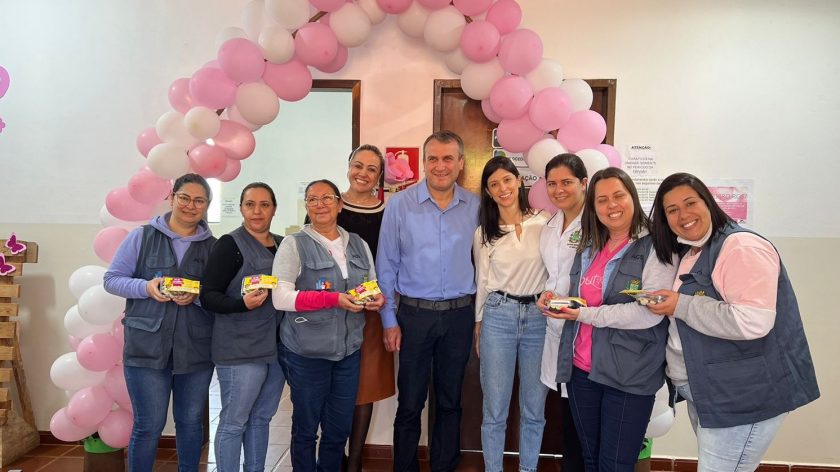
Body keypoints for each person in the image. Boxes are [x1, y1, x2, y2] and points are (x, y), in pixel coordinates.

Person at [645, 172, 819, 471]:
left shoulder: (740, 247)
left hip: (742, 396)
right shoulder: (694, 250)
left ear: (708, 202)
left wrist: (680, 305)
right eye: (671, 210)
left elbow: (753, 321)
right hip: (709, 390)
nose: (683, 214)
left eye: (690, 203)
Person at [544, 167, 676, 472]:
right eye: (602, 200)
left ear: (633, 196)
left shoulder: (656, 246)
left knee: (615, 465)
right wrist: (552, 298)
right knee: (590, 459)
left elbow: (647, 313)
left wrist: (583, 314)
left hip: (629, 375)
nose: (611, 205)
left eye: (618, 196)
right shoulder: (590, 246)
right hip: (581, 370)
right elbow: (577, 293)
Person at [376, 130, 480, 471]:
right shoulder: (399, 205)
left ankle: (443, 466)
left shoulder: (477, 207)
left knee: (450, 402)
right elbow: (386, 266)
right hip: (414, 318)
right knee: (410, 402)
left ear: (461, 164)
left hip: (459, 317)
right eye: (433, 158)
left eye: (448, 158)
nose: (440, 166)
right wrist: (389, 321)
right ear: (423, 162)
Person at [103, 173, 216, 472]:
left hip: (195, 350)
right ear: (172, 197)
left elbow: (219, 296)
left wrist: (198, 296)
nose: (191, 206)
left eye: (199, 201)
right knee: (148, 425)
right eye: (185, 198)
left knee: (191, 423)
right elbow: (112, 280)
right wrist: (146, 288)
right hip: (145, 348)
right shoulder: (141, 236)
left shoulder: (214, 247)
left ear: (206, 206)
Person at [272, 179, 385, 472]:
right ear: (307, 206)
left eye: (327, 198)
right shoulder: (294, 244)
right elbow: (280, 298)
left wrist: (376, 299)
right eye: (312, 199)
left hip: (348, 353)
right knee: (306, 430)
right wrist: (332, 299)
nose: (320, 204)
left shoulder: (358, 244)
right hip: (307, 354)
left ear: (339, 204)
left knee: (338, 431)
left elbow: (371, 285)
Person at [200, 182, 285, 472]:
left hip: (275, 349)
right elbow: (208, 295)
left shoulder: (284, 244)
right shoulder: (229, 245)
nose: (257, 211)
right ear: (241, 208)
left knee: (261, 418)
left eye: (264, 204)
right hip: (239, 350)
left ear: (274, 208)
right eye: (250, 204)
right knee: (234, 421)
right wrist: (241, 304)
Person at [473, 156, 550, 472]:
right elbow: (481, 282)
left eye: (507, 180)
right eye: (494, 184)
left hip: (538, 318)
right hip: (498, 317)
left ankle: (528, 468)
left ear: (519, 181)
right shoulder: (484, 233)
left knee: (534, 408)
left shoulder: (545, 222)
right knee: (495, 409)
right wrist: (478, 325)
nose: (502, 188)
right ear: (489, 193)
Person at [337, 145, 396, 472]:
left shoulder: (387, 211)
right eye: (357, 165)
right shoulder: (328, 203)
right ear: (348, 167)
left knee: (365, 386)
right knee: (332, 383)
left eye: (371, 169)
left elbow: (389, 264)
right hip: (330, 309)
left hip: (371, 311)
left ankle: (355, 460)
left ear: (379, 176)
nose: (363, 173)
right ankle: (335, 453)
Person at [535, 153, 588, 472]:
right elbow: (551, 276)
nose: (558, 190)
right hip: (555, 329)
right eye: (552, 183)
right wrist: (544, 296)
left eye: (566, 182)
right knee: (567, 415)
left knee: (583, 421)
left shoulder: (597, 223)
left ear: (584, 183)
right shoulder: (550, 225)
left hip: (584, 330)